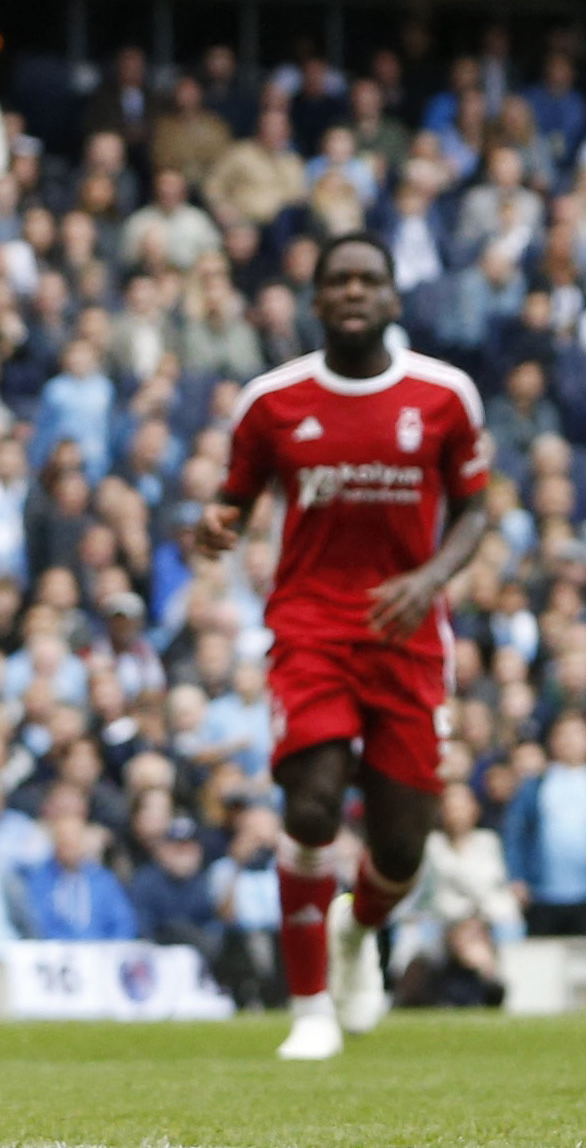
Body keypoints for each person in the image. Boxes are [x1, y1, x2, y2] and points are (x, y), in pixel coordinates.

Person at [195, 233, 492, 1060]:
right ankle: (311, 1008)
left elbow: (474, 511)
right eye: (339, 280)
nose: (355, 291)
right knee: (313, 803)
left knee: (401, 845)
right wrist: (217, 525)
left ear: (394, 298)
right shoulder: (271, 402)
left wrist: (430, 578)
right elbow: (234, 499)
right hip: (311, 625)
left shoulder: (444, 397)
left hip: (408, 635)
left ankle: (356, 936)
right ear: (316, 300)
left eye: (370, 279)